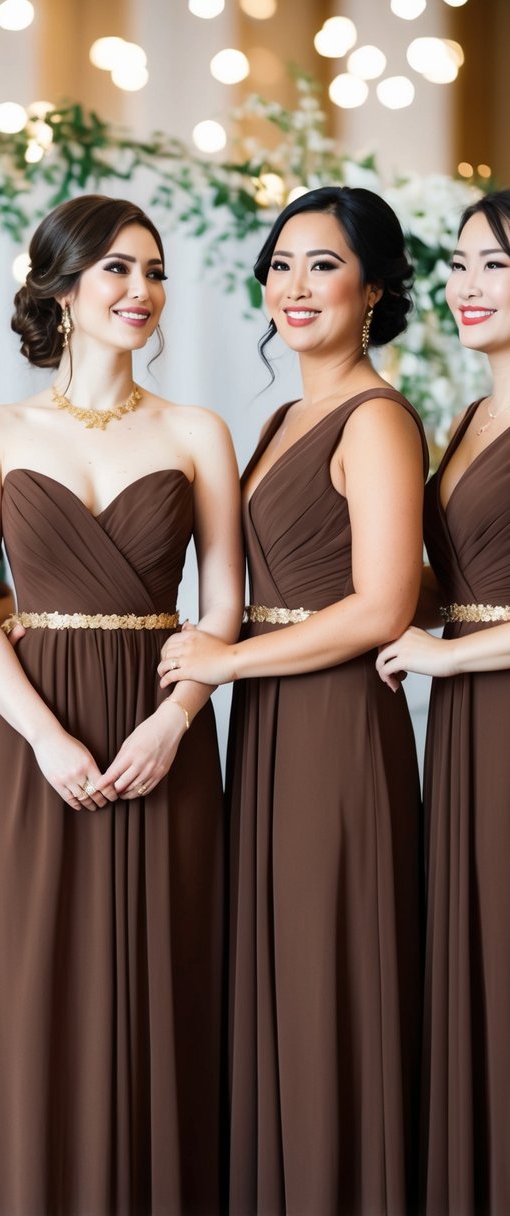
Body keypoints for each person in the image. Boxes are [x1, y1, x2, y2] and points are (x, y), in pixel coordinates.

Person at [0, 194, 242, 1216]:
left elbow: (226, 605)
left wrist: (176, 719)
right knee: (33, 989)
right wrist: (43, 734)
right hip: (32, 740)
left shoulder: (198, 429)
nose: (141, 291)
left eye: (153, 271)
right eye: (117, 269)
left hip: (163, 730)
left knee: (170, 979)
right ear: (60, 287)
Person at [159, 185, 428, 1215]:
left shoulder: (377, 419)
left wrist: (221, 665)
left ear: (373, 286)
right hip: (270, 724)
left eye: (320, 263)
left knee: (325, 978)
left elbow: (381, 605)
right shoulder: (278, 416)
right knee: (270, 974)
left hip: (331, 729)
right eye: (279, 263)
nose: (293, 285)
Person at [377, 187, 510, 1216]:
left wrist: (450, 657)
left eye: (495, 267)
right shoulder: (467, 415)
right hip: (469, 729)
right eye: (460, 265)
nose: (468, 287)